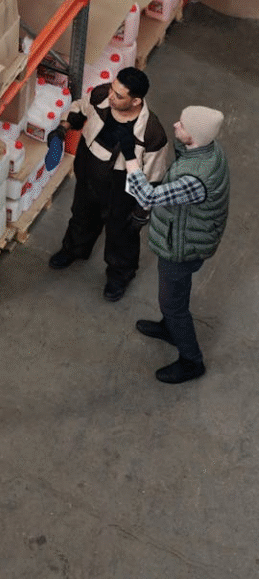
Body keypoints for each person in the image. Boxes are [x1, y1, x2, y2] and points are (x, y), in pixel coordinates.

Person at [120, 105, 230, 384]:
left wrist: (130, 156)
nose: (176, 125)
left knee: (173, 304)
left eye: (183, 125)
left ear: (193, 137)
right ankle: (170, 328)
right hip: (182, 235)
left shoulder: (196, 178)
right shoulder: (207, 149)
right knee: (175, 297)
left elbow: (147, 196)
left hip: (183, 249)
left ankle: (192, 361)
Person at [46, 67, 169, 301]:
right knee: (81, 215)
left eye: (119, 95)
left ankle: (120, 275)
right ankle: (74, 249)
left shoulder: (152, 133)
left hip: (121, 187)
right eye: (112, 89)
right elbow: (81, 109)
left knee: (120, 234)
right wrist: (63, 128)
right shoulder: (102, 96)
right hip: (89, 171)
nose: (111, 96)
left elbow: (153, 176)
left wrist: (142, 211)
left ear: (136, 101)